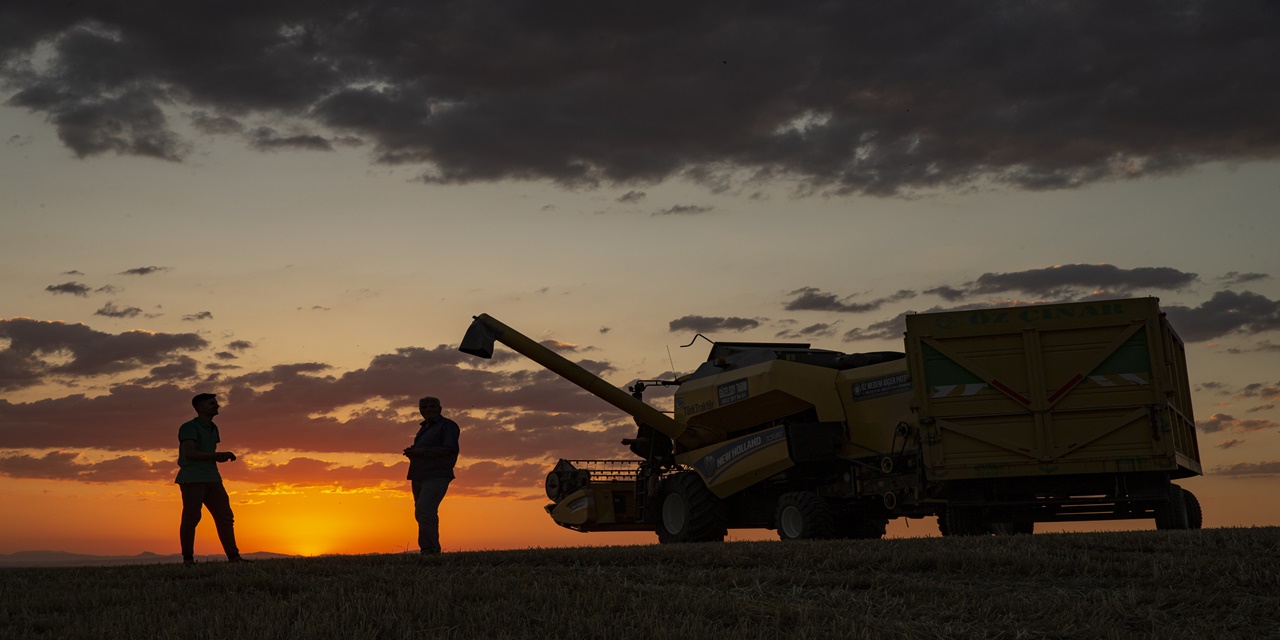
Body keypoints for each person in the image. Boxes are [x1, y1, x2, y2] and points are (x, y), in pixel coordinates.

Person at [176, 393, 245, 565]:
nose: (217, 406)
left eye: (216, 403)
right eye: (211, 403)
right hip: (192, 478)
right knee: (192, 518)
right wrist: (216, 455)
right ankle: (188, 560)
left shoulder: (213, 428)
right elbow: (189, 453)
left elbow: (207, 453)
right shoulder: (189, 427)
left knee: (225, 517)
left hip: (213, 478)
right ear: (199, 408)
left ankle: (234, 557)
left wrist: (217, 456)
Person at [402, 396, 460, 554]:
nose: (428, 410)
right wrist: (414, 452)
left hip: (437, 475)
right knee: (421, 513)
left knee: (425, 511)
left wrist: (422, 451)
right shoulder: (423, 428)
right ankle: (429, 549)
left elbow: (450, 449)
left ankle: (430, 551)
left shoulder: (447, 426)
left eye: (431, 407)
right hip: (418, 475)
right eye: (424, 407)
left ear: (440, 409)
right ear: (420, 410)